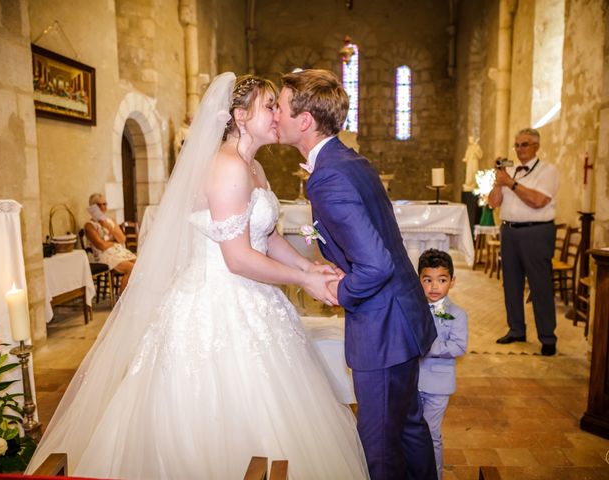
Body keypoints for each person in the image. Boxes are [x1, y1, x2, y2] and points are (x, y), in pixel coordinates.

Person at [25, 73, 369, 479]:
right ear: (241, 116)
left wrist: (308, 266)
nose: (280, 113)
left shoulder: (254, 167)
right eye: (270, 105)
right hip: (216, 300)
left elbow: (266, 235)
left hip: (254, 299)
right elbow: (238, 258)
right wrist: (304, 282)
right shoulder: (226, 167)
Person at [275, 68, 437, 480]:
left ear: (305, 120)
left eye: (279, 107)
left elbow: (376, 264)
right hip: (402, 315)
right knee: (409, 427)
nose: (275, 114)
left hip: (382, 327)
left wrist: (338, 290)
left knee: (380, 445)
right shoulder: (348, 160)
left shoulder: (328, 176)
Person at [488, 127, 559, 356]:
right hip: (509, 231)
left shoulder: (548, 171)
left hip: (536, 232)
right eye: (517, 145)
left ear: (536, 146)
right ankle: (516, 329)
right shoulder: (510, 172)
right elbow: (493, 203)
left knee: (540, 285)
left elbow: (538, 201)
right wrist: (499, 181)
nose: (519, 149)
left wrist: (510, 183)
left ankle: (547, 336)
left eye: (525, 144)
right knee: (511, 283)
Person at [417, 249, 468, 480]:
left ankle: (433, 476)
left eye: (442, 280)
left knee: (431, 433)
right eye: (427, 280)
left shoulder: (457, 314)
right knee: (413, 432)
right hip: (412, 381)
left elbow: (458, 347)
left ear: (452, 282)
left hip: (438, 385)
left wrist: (430, 346)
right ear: (419, 281)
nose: (434, 287)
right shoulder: (414, 310)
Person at [84, 193, 136, 294]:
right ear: (92, 207)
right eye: (99, 205)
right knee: (131, 268)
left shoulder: (111, 221)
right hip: (104, 255)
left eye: (105, 204)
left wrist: (108, 226)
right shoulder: (89, 226)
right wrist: (114, 242)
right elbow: (101, 246)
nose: (103, 207)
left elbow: (121, 239)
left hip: (118, 251)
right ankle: (122, 301)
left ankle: (134, 296)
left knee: (140, 264)